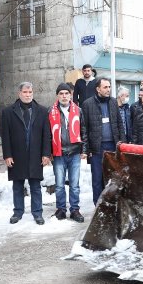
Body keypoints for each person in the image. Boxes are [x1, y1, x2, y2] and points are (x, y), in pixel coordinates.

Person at [1, 82, 52, 225]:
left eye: (30, 92)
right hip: (17, 155)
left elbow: (46, 134)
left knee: (35, 185)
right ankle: (18, 212)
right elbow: (6, 136)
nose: (28, 95)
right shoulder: (8, 112)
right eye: (25, 92)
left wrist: (46, 154)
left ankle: (37, 213)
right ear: (19, 93)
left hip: (36, 155)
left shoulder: (42, 111)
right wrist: (7, 155)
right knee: (18, 185)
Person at [81, 77, 125, 206]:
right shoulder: (87, 104)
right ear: (98, 89)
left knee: (113, 177)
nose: (108, 89)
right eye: (105, 87)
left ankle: (112, 204)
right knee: (97, 178)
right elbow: (84, 128)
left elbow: (119, 124)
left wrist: (122, 143)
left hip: (113, 146)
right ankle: (98, 205)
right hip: (97, 148)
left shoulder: (113, 102)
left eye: (109, 87)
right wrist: (87, 149)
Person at [48, 83, 86, 222]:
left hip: (74, 153)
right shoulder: (50, 111)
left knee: (74, 185)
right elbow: (47, 134)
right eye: (61, 94)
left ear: (70, 95)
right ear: (57, 96)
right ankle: (61, 210)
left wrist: (84, 150)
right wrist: (48, 152)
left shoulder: (78, 110)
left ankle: (75, 210)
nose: (64, 96)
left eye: (66, 93)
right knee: (59, 185)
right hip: (59, 153)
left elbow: (83, 131)